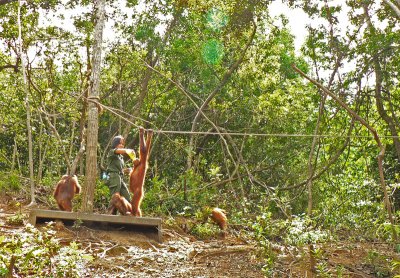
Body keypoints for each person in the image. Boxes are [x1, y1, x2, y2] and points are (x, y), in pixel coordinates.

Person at [105, 135, 135, 208]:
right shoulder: (112, 152)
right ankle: (109, 215)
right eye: (120, 144)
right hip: (113, 177)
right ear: (116, 144)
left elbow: (118, 169)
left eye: (123, 144)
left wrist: (127, 170)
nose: (122, 145)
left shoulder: (120, 157)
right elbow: (117, 151)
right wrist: (127, 150)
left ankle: (129, 214)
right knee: (115, 197)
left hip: (119, 177)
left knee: (127, 197)